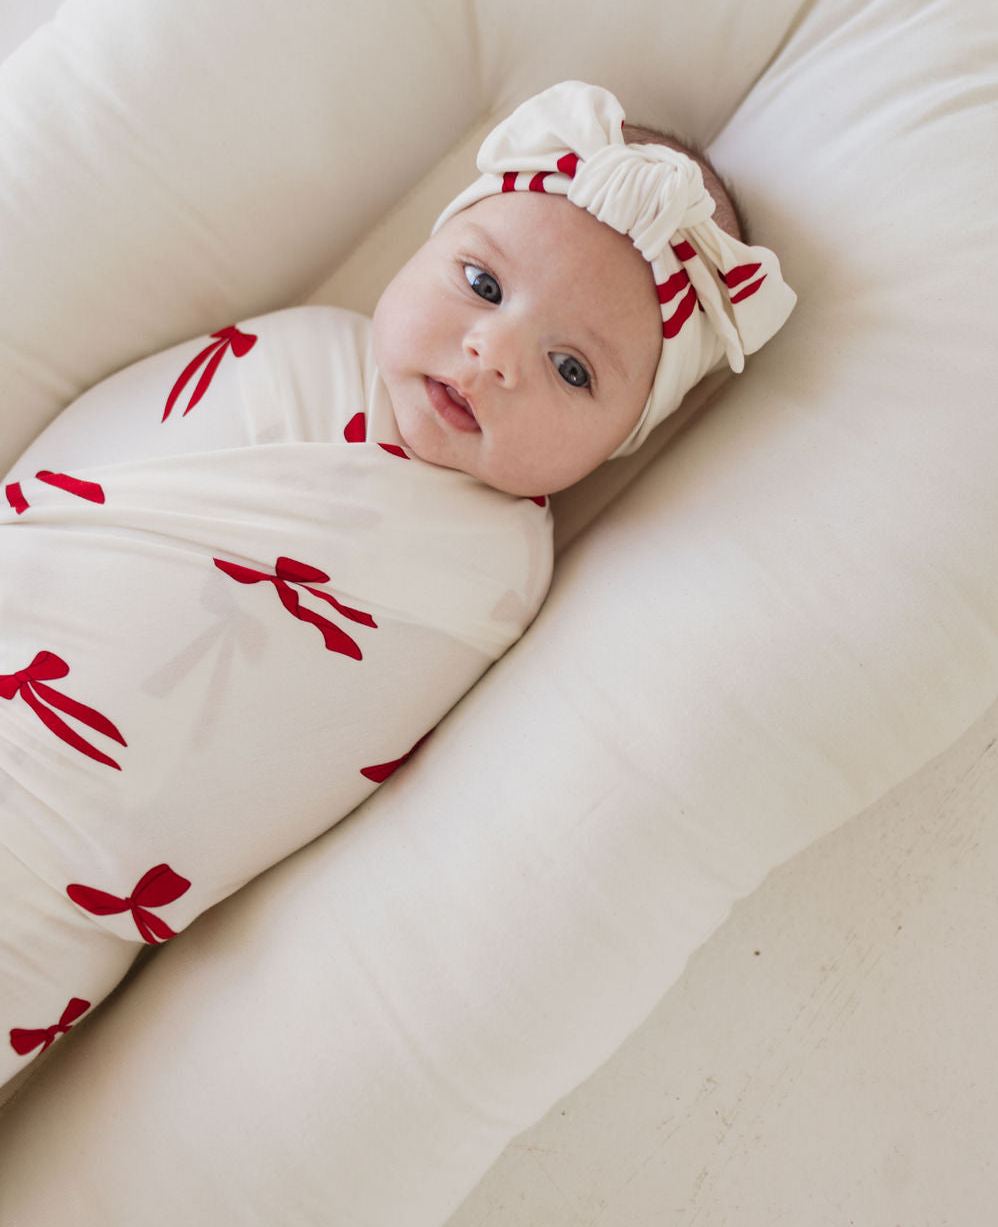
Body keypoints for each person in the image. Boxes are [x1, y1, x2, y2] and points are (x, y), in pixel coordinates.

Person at [0, 80, 794, 1091]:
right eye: (480, 281)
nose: (494, 352)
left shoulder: (502, 575)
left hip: (69, 897)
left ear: (619, 445)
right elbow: (59, 500)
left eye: (573, 371)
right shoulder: (296, 353)